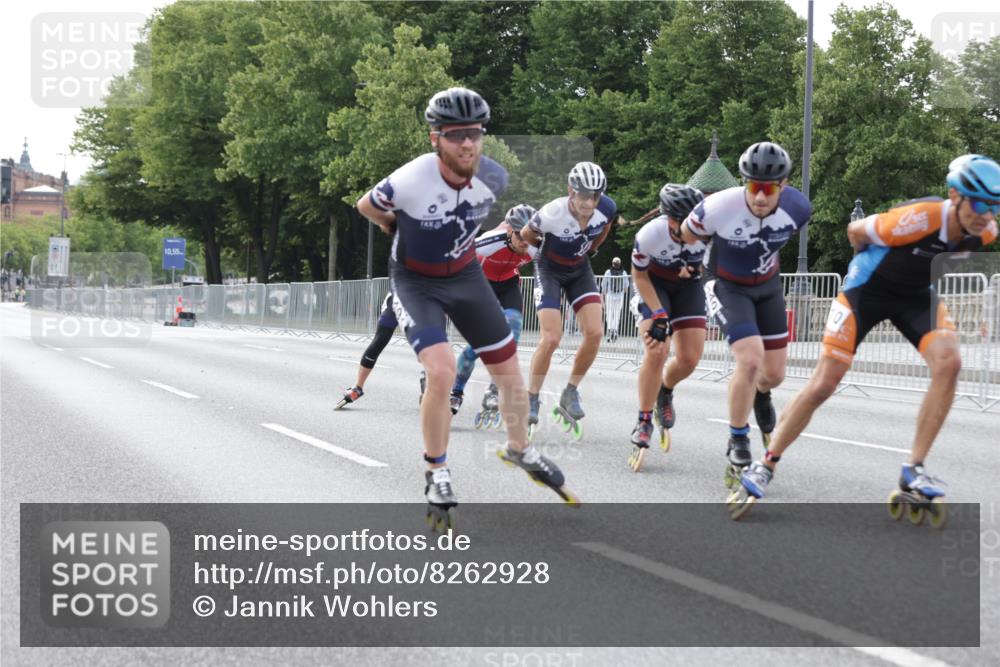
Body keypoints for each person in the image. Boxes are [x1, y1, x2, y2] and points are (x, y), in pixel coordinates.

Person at [730, 154, 1000, 523]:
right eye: (980, 204)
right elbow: (855, 232)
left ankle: (914, 468)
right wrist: (863, 269)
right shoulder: (920, 217)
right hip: (865, 292)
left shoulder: (986, 232)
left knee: (950, 363)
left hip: (916, 297)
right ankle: (766, 463)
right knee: (825, 382)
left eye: (995, 206)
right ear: (955, 196)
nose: (986, 215)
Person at [355, 87, 577, 529]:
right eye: (456, 135)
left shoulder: (492, 177)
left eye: (474, 133)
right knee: (440, 370)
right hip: (416, 281)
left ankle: (520, 448)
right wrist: (392, 227)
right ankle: (437, 470)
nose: (468, 144)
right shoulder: (413, 178)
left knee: (507, 366)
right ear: (436, 138)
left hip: (463, 276)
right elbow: (366, 206)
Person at [679, 141, 811, 488]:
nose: (761, 197)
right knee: (750, 361)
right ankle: (738, 438)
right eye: (753, 186)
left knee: (774, 374)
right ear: (743, 182)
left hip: (768, 286)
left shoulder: (798, 208)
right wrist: (700, 261)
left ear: (783, 186)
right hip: (726, 284)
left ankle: (761, 395)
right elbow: (687, 233)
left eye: (769, 188)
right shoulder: (719, 206)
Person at [521, 162, 617, 439]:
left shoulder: (606, 207)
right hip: (549, 269)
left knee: (595, 332)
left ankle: (571, 390)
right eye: (583, 195)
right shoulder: (552, 212)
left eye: (594, 196)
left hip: (579, 270)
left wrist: (593, 248)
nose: (589, 202)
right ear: (570, 192)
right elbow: (527, 235)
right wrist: (547, 251)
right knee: (551, 338)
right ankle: (532, 397)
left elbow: (607, 225)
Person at [627, 184, 707, 471]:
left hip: (687, 289)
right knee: (657, 350)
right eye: (688, 222)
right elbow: (639, 275)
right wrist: (659, 314)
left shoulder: (707, 230)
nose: (696, 228)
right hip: (654, 285)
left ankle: (665, 389)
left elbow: (708, 266)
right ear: (671, 219)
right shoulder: (650, 234)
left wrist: (695, 270)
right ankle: (644, 419)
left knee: (689, 359)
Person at [450, 204, 538, 428]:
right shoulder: (490, 241)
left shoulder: (536, 244)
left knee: (511, 339)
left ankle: (493, 391)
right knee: (477, 347)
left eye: (530, 237)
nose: (525, 243)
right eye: (520, 237)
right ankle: (456, 392)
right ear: (509, 231)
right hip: (482, 285)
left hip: (508, 284)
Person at [336, 291, 399, 410]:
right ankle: (357, 388)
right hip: (400, 298)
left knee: (431, 347)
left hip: (429, 298)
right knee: (379, 341)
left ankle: (431, 380)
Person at [602, 257, 630, 342]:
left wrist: (604, 293)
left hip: (610, 296)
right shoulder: (624, 272)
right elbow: (626, 287)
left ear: (612, 263)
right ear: (620, 263)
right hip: (620, 296)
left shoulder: (608, 272)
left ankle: (610, 330)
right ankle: (615, 330)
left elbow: (604, 285)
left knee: (609, 313)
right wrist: (622, 293)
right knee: (617, 314)